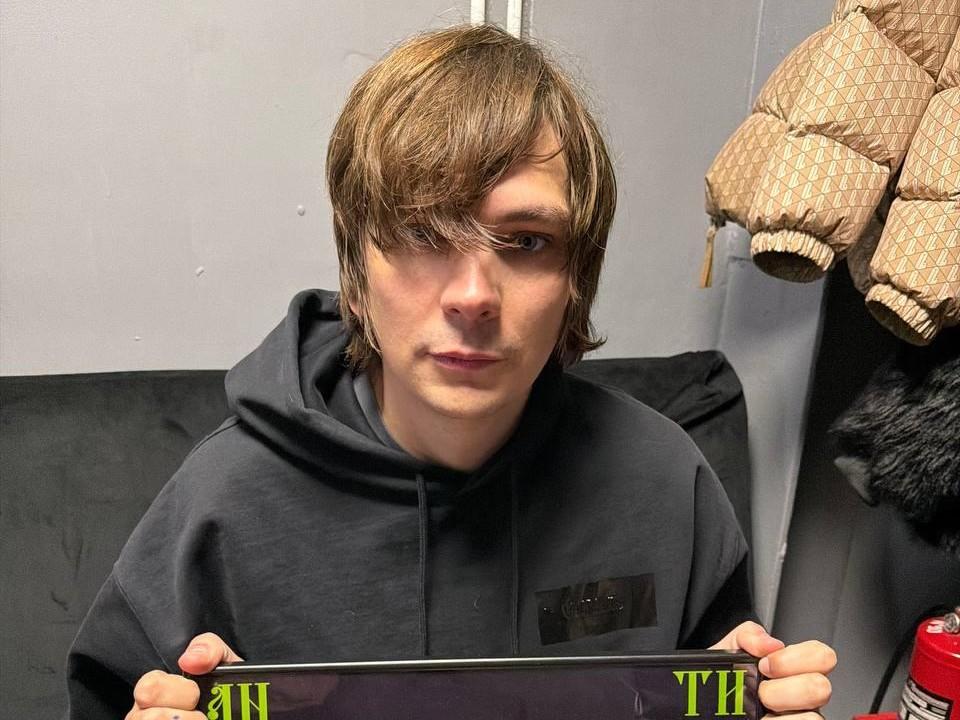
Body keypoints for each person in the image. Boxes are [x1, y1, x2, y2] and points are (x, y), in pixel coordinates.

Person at [65, 23, 836, 719]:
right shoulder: (221, 505)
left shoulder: (666, 485)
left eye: (526, 241)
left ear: (576, 278)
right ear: (356, 272)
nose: (473, 295)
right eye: (421, 233)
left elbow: (711, 682)